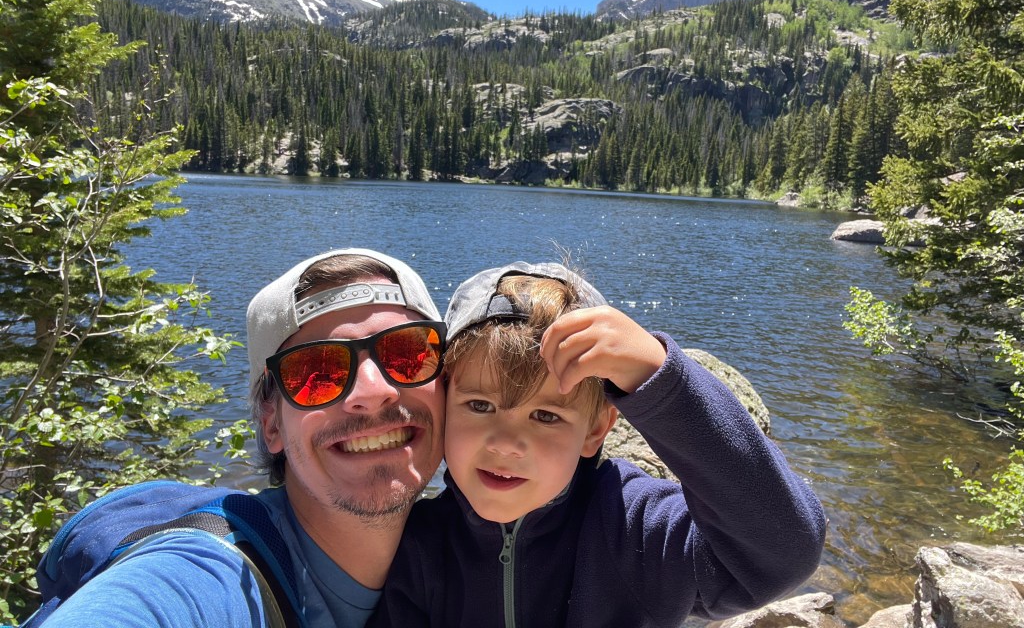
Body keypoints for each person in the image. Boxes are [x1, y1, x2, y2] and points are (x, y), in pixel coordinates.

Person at [370, 262, 827, 627]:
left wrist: (659, 378)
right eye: (480, 405)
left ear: (595, 431)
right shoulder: (419, 544)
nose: (506, 444)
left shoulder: (635, 527)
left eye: (546, 415)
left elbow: (782, 554)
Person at [36, 248, 447, 628]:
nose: (373, 391)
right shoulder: (207, 575)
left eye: (407, 354)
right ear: (271, 424)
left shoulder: (460, 555)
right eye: (316, 372)